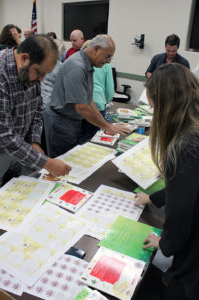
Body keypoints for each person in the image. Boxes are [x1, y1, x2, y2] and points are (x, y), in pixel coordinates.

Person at [135, 63, 199, 300]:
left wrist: (164, 243)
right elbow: (183, 187)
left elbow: (181, 213)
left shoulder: (185, 146)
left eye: (153, 108)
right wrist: (152, 197)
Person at [0, 34, 71, 196]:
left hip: (18, 146)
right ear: (24, 58)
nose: (41, 80)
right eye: (39, 73)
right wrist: (47, 163)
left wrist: (34, 139)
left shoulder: (30, 72)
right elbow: (4, 137)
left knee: (21, 190)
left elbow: (37, 107)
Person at [44, 34, 130, 158]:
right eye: (108, 56)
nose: (109, 61)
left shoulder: (87, 63)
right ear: (96, 49)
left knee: (72, 158)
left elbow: (89, 100)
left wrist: (106, 124)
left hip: (70, 121)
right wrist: (107, 126)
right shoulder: (77, 66)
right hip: (60, 122)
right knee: (63, 161)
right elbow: (82, 106)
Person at [79, 40, 115, 142]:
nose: (108, 60)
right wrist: (106, 101)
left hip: (82, 103)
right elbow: (109, 88)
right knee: (93, 138)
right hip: (97, 103)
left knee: (81, 135)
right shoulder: (105, 65)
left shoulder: (82, 63)